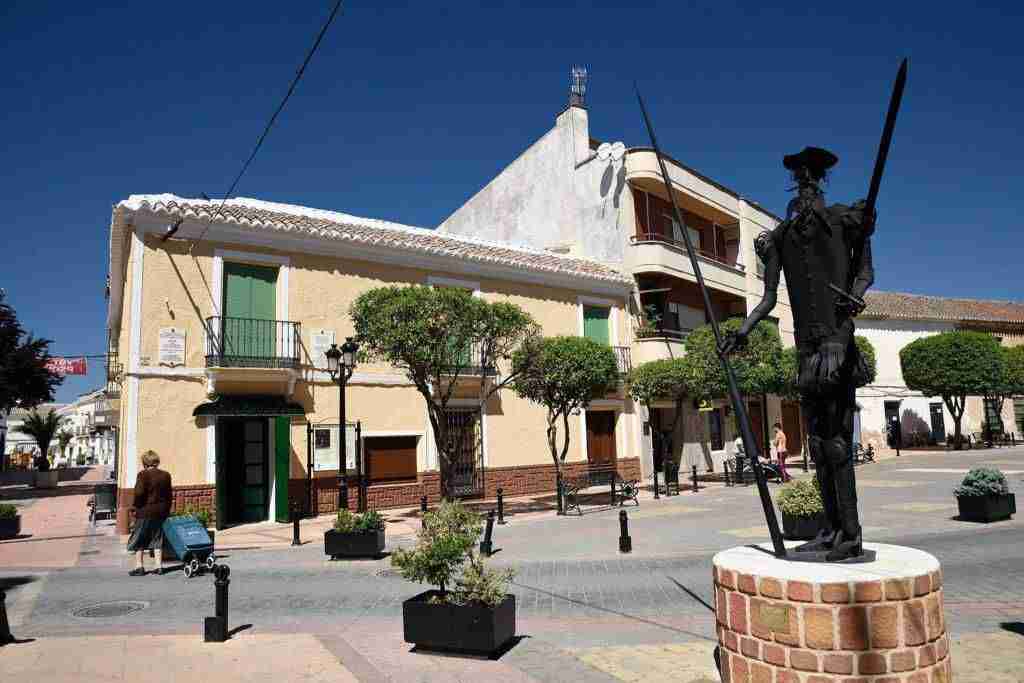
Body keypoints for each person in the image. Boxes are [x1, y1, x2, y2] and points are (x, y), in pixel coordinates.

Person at [720, 146, 876, 562]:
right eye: (800, 179)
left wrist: (855, 299)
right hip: (806, 348)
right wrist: (743, 330)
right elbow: (768, 297)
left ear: (820, 183)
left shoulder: (846, 221)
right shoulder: (780, 239)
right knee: (819, 445)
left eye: (812, 179)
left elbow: (865, 274)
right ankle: (829, 528)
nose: (806, 187)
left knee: (839, 443)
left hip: (837, 342)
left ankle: (851, 534)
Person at [127, 450, 172, 576]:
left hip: (145, 510)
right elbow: (169, 495)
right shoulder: (165, 475)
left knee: (140, 537)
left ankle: (139, 566)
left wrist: (136, 507)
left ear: (145, 462)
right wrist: (166, 510)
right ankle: (158, 566)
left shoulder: (143, 475)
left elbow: (139, 493)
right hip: (161, 511)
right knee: (157, 537)